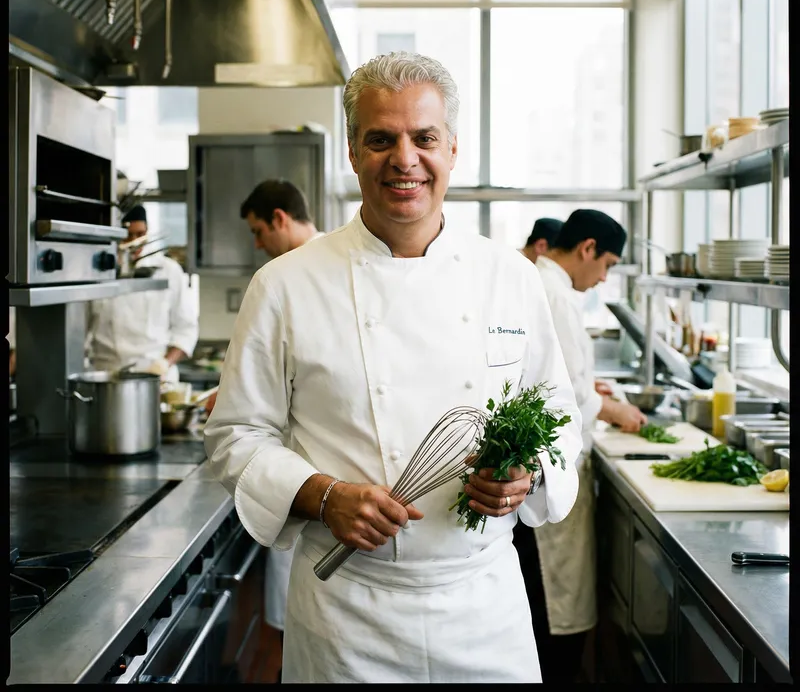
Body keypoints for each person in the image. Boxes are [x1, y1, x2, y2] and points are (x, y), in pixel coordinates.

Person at [204, 51, 583, 683]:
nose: (404, 159)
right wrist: (322, 496)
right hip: (347, 615)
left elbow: (559, 416)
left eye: (424, 138)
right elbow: (235, 435)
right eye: (381, 139)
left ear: (453, 149)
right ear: (353, 152)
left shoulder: (510, 278)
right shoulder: (285, 285)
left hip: (483, 608)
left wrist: (528, 473)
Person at [512, 208, 646, 684]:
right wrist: (614, 410)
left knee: (555, 599)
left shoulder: (549, 285)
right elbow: (565, 396)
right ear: (587, 249)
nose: (604, 277)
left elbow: (565, 379)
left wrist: (594, 391)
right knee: (556, 603)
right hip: (554, 473)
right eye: (607, 264)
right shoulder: (554, 293)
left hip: (554, 470)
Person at [205, 178, 323, 683]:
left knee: (293, 635)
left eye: (258, 231)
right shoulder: (278, 281)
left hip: (316, 491)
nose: (257, 243)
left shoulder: (316, 276)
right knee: (289, 628)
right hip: (295, 486)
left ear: (279, 218)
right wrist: (239, 395)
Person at [85, 205, 199, 383]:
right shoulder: (95, 272)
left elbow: (186, 329)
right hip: (107, 376)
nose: (135, 242)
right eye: (128, 235)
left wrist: (164, 364)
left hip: (155, 375)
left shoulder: (168, 270)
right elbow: (81, 332)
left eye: (140, 234)